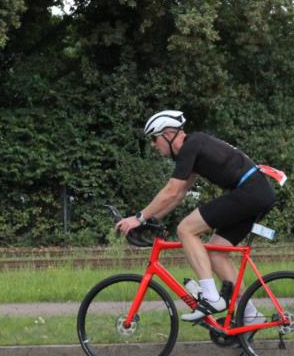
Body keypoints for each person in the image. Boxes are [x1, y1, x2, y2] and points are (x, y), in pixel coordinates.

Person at [114, 110, 277, 323]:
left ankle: (210, 297)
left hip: (250, 192)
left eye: (154, 138)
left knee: (186, 229)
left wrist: (138, 218)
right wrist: (150, 220)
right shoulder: (195, 147)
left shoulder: (191, 146)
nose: (153, 145)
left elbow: (171, 190)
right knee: (216, 252)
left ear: (168, 134)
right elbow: (178, 194)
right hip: (258, 193)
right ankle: (250, 315)